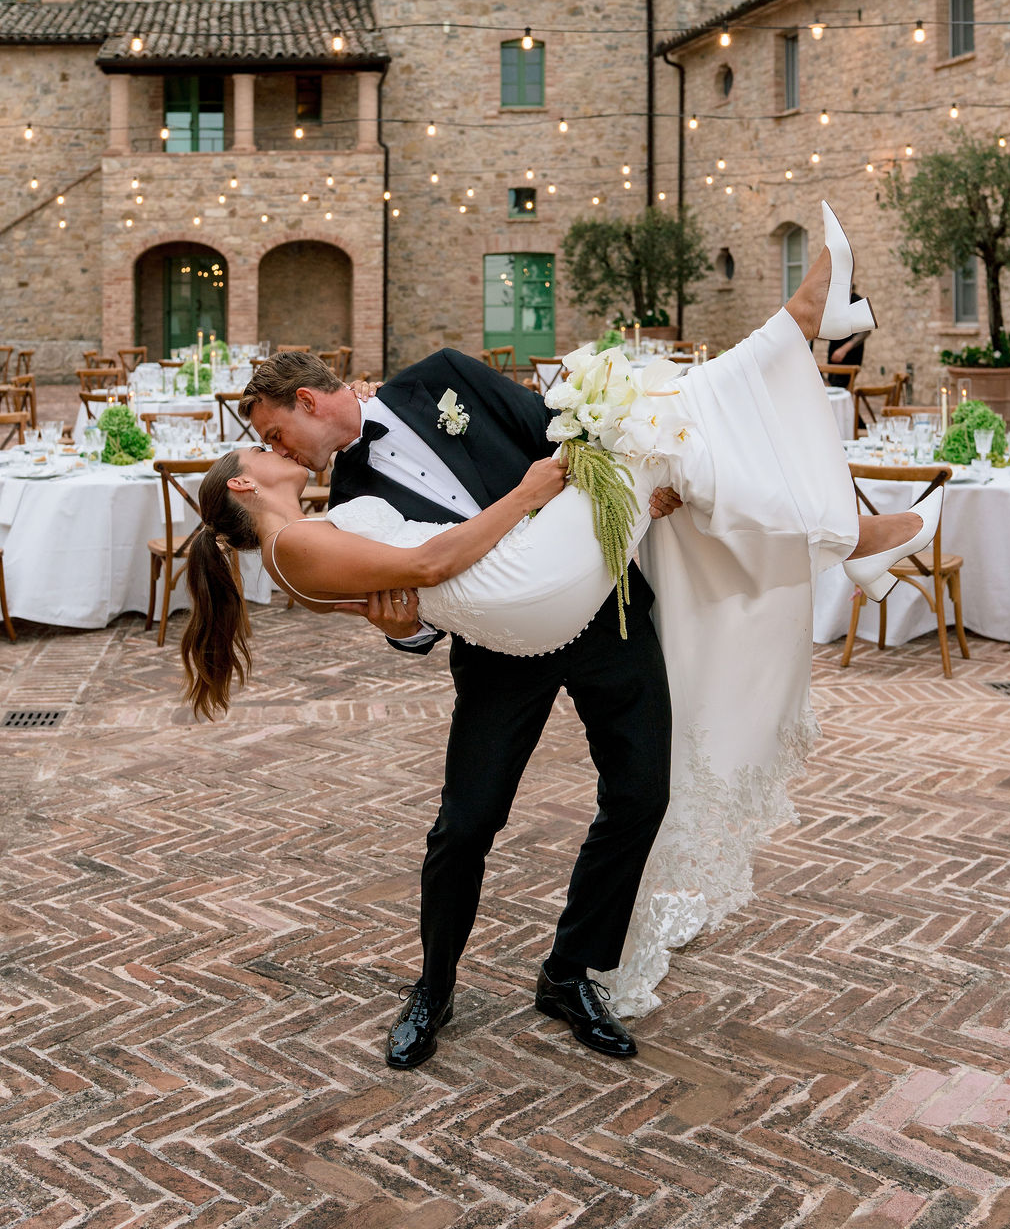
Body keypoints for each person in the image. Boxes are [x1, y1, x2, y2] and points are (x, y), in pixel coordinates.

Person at [183, 203, 939, 1046]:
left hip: (606, 607)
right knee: (465, 824)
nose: (281, 446)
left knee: (640, 794)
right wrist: (396, 630)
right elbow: (415, 603)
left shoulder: (442, 378)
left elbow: (562, 432)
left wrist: (624, 495)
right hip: (501, 650)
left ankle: (570, 973)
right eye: (267, 443)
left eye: (274, 427)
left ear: (309, 398)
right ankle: (432, 991)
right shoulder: (348, 498)